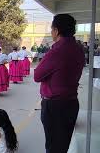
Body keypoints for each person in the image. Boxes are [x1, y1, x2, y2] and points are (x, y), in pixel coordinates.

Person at [34, 14, 84, 153]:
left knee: (53, 146)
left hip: (55, 107)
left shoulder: (56, 51)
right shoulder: (78, 48)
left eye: (52, 29)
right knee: (64, 144)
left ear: (56, 30)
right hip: (71, 102)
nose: (51, 32)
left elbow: (37, 76)